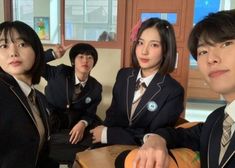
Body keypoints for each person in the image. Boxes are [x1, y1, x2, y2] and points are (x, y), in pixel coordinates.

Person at [131, 9, 235, 168]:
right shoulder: (216, 119)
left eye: (226, 44)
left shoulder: (173, 90)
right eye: (203, 51)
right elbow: (183, 134)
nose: (211, 59)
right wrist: (157, 138)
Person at [90, 18, 184, 146]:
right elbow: (112, 116)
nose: (144, 51)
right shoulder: (124, 75)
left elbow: (151, 137)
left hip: (142, 156)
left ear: (166, 50)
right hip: (109, 146)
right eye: (140, 43)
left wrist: (108, 134)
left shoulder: (173, 91)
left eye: (154, 45)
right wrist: (99, 142)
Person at [0, 21, 58, 168]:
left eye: (22, 44)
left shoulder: (39, 98)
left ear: (36, 50)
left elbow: (40, 156)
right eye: (3, 46)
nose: (13, 52)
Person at [43, 43, 102, 164]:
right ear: (73, 61)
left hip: (76, 121)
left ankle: (70, 153)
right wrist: (53, 54)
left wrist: (83, 123)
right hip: (53, 119)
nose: (85, 60)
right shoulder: (60, 72)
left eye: (90, 57)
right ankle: (76, 155)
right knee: (47, 140)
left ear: (93, 63)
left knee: (100, 136)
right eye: (81, 56)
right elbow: (34, 64)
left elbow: (90, 112)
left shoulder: (96, 86)